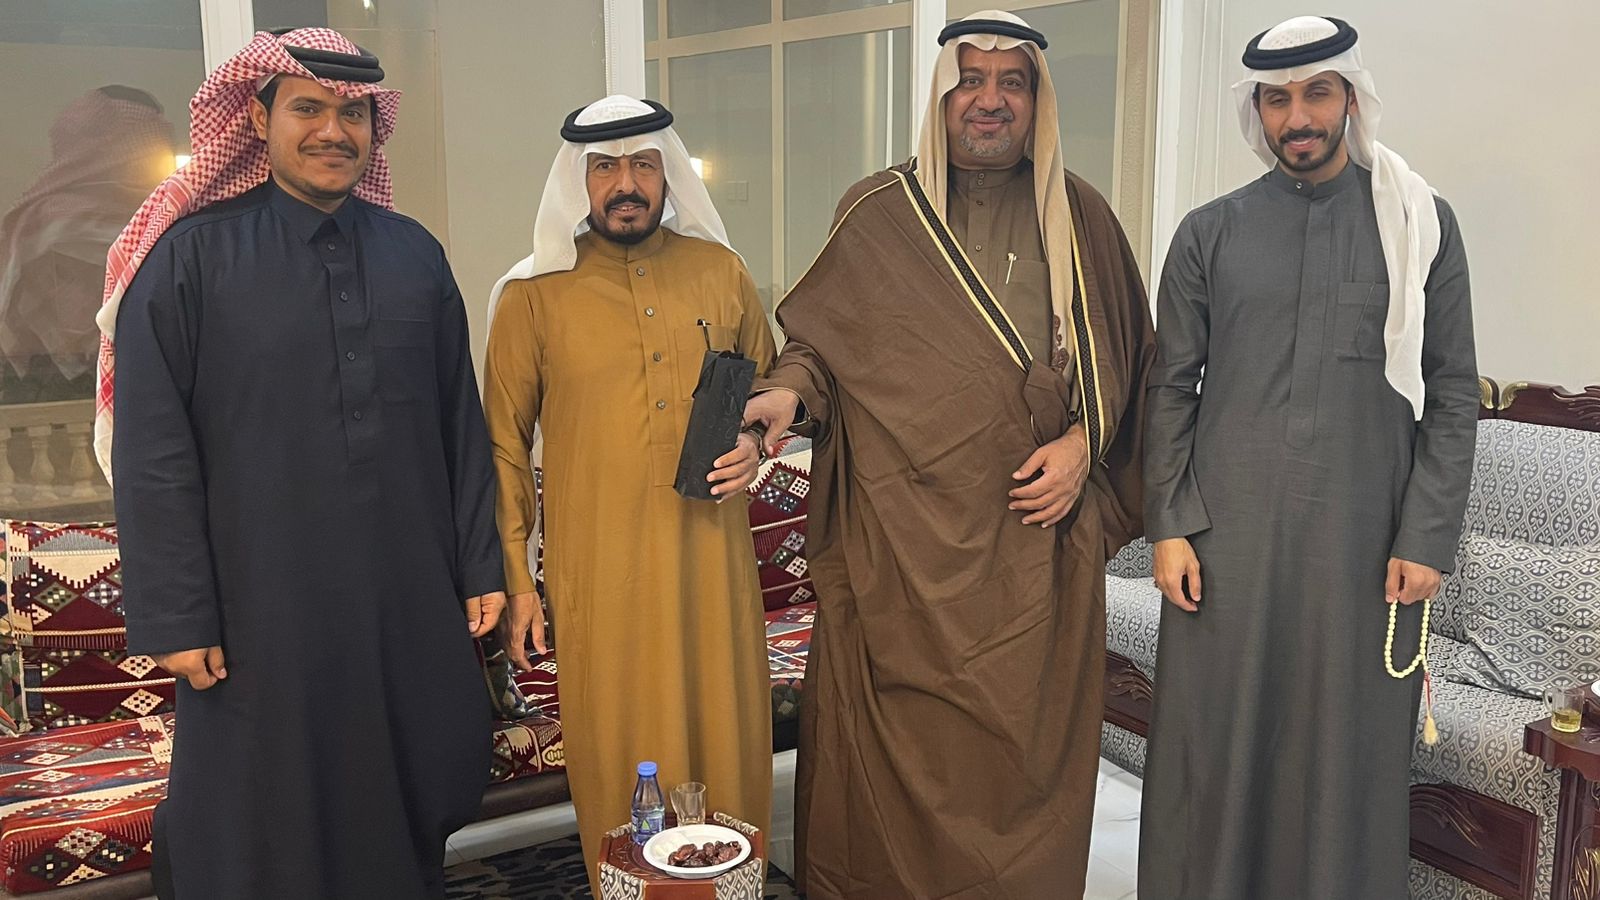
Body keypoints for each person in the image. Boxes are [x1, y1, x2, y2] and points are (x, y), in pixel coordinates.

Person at [741, 11, 1154, 898]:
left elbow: (1132, 365)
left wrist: (1084, 444)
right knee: (885, 780)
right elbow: (824, 349)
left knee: (1021, 778)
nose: (989, 101)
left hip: (1029, 558)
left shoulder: (1081, 217)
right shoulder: (879, 211)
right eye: (971, 79)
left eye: (1012, 82)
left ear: (1037, 99)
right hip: (897, 550)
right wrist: (785, 396)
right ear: (941, 95)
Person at [103, 28, 504, 899]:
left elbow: (458, 424)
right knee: (264, 809)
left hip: (403, 591)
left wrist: (481, 565)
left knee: (407, 779)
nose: (333, 131)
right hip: (258, 605)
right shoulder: (190, 258)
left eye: (352, 114)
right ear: (257, 119)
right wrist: (177, 613)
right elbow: (152, 452)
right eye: (308, 109)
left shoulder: (414, 254)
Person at [1138, 16, 1478, 898]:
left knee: (1345, 755)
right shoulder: (1208, 233)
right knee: (1214, 747)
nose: (1298, 117)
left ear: (1351, 98)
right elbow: (1169, 389)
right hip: (1224, 550)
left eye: (1317, 93)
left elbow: (1452, 391)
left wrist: (1427, 537)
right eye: (1277, 99)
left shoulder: (1420, 223)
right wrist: (1168, 527)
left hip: (1363, 553)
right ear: (1257, 110)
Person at [484, 94, 776, 893]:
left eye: (644, 164)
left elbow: (771, 392)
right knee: (618, 747)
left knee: (727, 735)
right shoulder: (533, 295)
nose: (626, 184)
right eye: (606, 167)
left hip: (713, 567)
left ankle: (732, 888)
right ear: (577, 181)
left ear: (666, 173)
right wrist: (518, 581)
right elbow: (502, 445)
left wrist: (755, 445)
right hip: (600, 574)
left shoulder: (721, 272)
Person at [0, 86, 174, 402]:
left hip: (148, 377)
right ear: (118, 144)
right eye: (146, 136)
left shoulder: (167, 218)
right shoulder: (49, 218)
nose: (157, 147)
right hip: (58, 388)